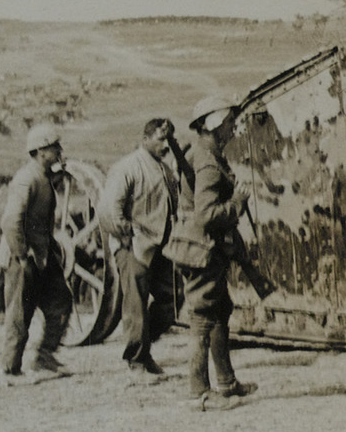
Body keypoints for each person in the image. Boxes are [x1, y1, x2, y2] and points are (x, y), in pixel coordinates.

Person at [164, 95, 255, 408]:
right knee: (203, 317)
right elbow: (206, 215)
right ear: (215, 125)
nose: (233, 127)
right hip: (202, 247)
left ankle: (226, 382)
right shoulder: (207, 161)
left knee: (219, 311)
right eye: (229, 121)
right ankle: (199, 392)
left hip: (206, 247)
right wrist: (237, 204)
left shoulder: (205, 152)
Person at [101, 118, 181, 379]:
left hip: (160, 246)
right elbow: (109, 209)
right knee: (135, 304)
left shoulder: (166, 170)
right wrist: (126, 235)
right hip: (133, 245)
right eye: (160, 139)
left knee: (173, 299)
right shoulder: (127, 167)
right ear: (145, 139)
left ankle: (144, 349)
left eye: (167, 140)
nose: (164, 145)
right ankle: (136, 361)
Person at [0, 124, 74, 384]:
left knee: (61, 301)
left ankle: (44, 357)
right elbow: (10, 221)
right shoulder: (26, 178)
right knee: (20, 313)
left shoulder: (42, 176)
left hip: (41, 254)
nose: (59, 151)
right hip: (24, 256)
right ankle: (9, 369)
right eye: (54, 148)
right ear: (41, 151)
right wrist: (22, 255)